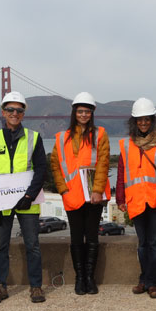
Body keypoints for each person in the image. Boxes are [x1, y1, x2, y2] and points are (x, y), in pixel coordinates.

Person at [0, 91, 48, 304]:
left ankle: (36, 286)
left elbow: (40, 169)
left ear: (23, 114)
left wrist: (29, 195)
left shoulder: (34, 137)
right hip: (2, 204)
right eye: (10, 109)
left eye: (19, 110)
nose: (14, 113)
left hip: (28, 202)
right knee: (0, 246)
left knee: (33, 245)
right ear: (3, 112)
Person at [50, 91, 110, 295]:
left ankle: (89, 278)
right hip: (71, 195)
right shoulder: (61, 138)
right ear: (75, 112)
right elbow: (56, 166)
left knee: (92, 237)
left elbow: (103, 162)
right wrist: (63, 190)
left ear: (92, 113)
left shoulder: (100, 134)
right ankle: (79, 278)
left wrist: (98, 190)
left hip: (93, 195)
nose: (84, 115)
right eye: (80, 111)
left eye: (87, 111)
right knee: (76, 238)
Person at [115, 97, 156, 298]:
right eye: (140, 119)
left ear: (152, 120)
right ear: (134, 121)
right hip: (136, 200)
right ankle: (143, 280)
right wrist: (120, 198)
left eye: (147, 119)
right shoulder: (125, 144)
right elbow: (121, 172)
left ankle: (153, 283)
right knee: (142, 243)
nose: (143, 123)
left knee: (154, 243)